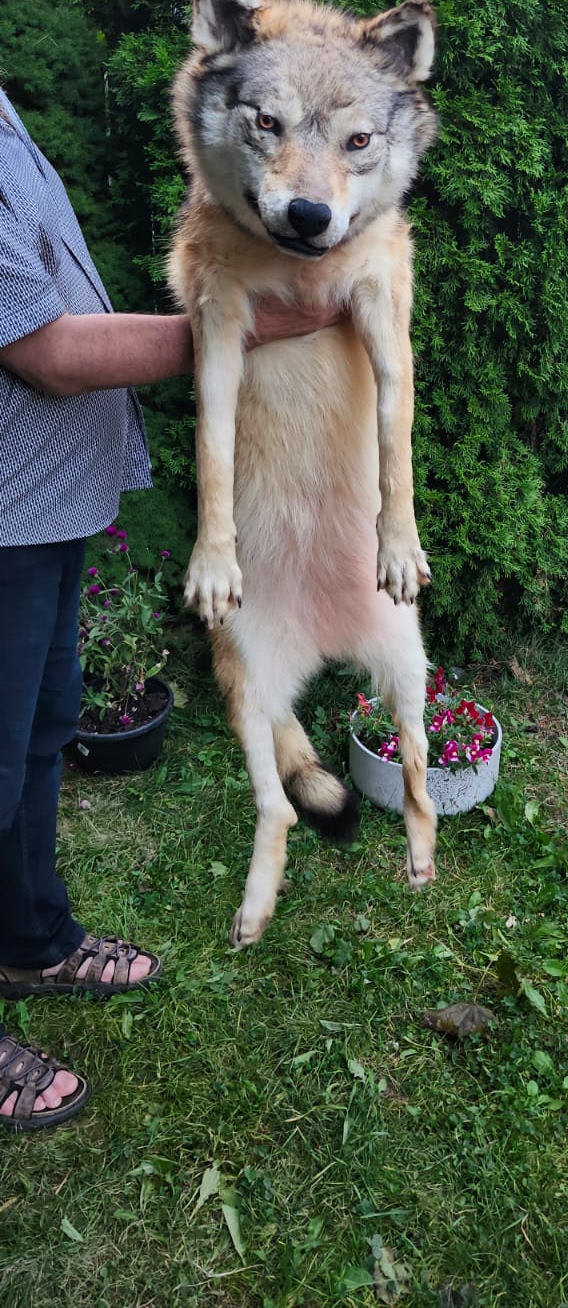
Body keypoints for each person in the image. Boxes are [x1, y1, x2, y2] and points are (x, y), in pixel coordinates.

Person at [0, 85, 340, 1129]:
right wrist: (248, 327)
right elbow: (48, 352)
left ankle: (30, 939)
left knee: (42, 734)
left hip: (46, 508)